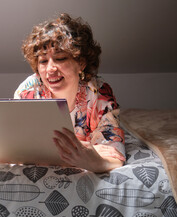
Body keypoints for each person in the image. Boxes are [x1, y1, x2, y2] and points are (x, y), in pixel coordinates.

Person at [14, 13, 125, 173]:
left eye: (60, 58)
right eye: (43, 61)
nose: (50, 69)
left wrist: (97, 163)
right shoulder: (27, 92)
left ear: (80, 62)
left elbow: (113, 154)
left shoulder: (98, 92)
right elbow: (15, 145)